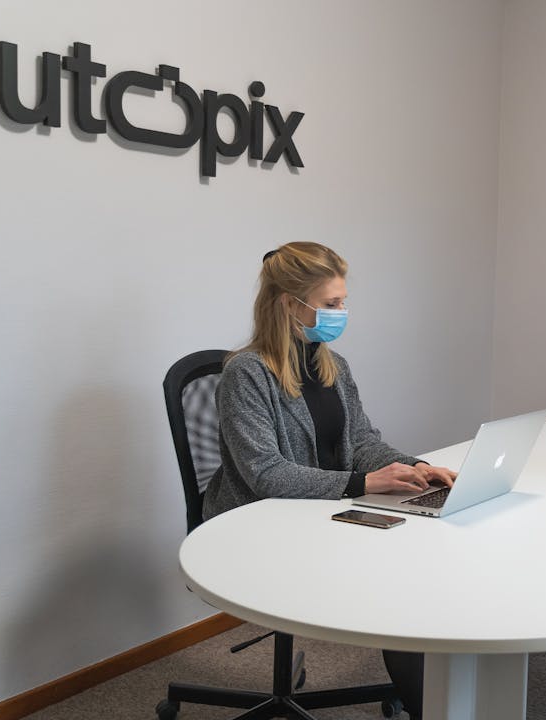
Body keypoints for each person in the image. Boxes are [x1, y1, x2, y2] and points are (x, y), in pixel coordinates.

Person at [202, 241, 456, 716]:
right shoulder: (246, 374)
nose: (343, 313)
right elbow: (266, 474)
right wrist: (364, 484)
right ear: (289, 304)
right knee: (403, 586)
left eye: (344, 302)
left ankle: (436, 700)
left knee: (422, 565)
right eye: (332, 304)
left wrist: (418, 467)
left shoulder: (331, 365)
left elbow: (363, 442)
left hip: (325, 508)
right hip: (259, 522)